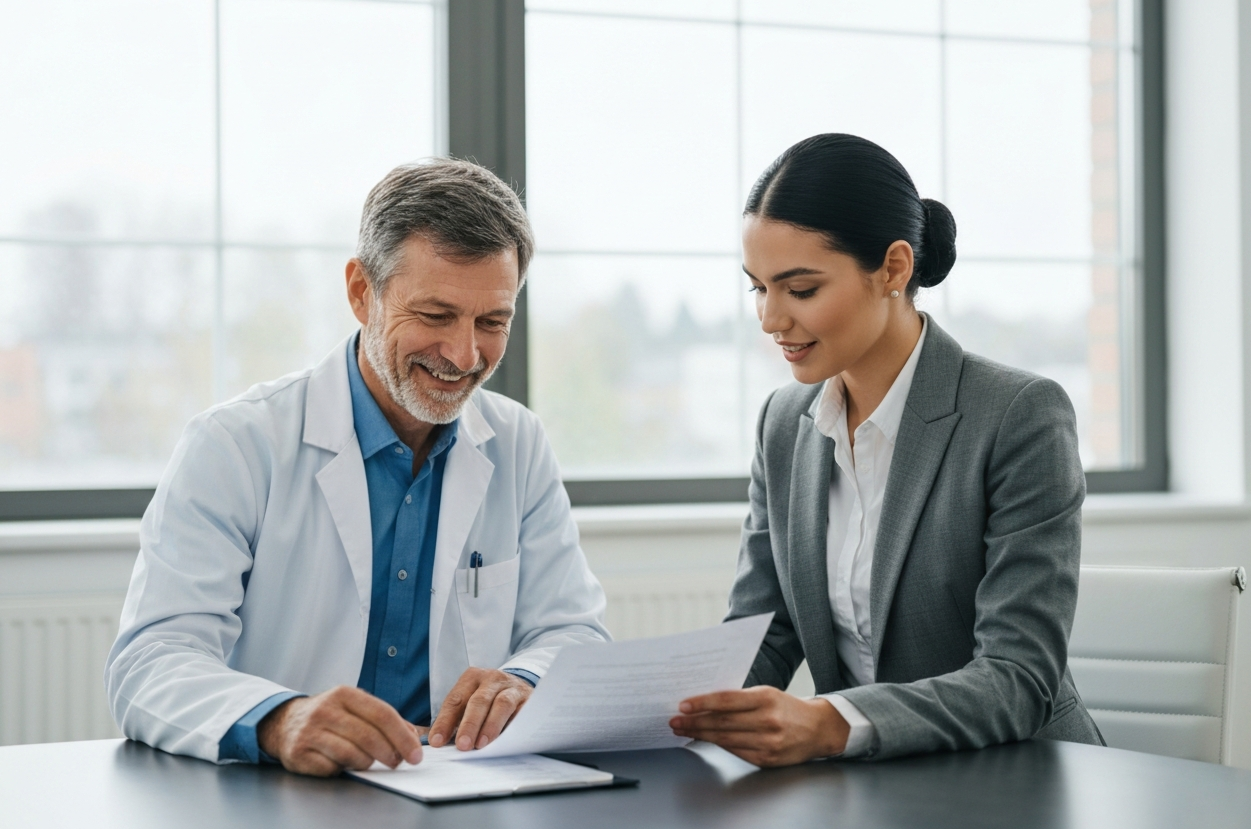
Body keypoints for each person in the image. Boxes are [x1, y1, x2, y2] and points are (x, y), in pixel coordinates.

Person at [106, 159, 609, 776]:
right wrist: (277, 718)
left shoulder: (517, 442)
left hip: (458, 794)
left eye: (492, 322)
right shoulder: (235, 444)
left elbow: (575, 632)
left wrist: (523, 679)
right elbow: (151, 660)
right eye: (434, 316)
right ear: (360, 292)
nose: (464, 354)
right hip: (285, 798)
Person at [669, 133, 1104, 765]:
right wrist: (665, 711)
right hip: (871, 789)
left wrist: (828, 723)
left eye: (801, 288)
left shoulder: (1018, 417)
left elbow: (1018, 678)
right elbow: (763, 636)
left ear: (893, 269)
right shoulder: (785, 422)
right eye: (758, 287)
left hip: (1017, 780)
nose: (769, 318)